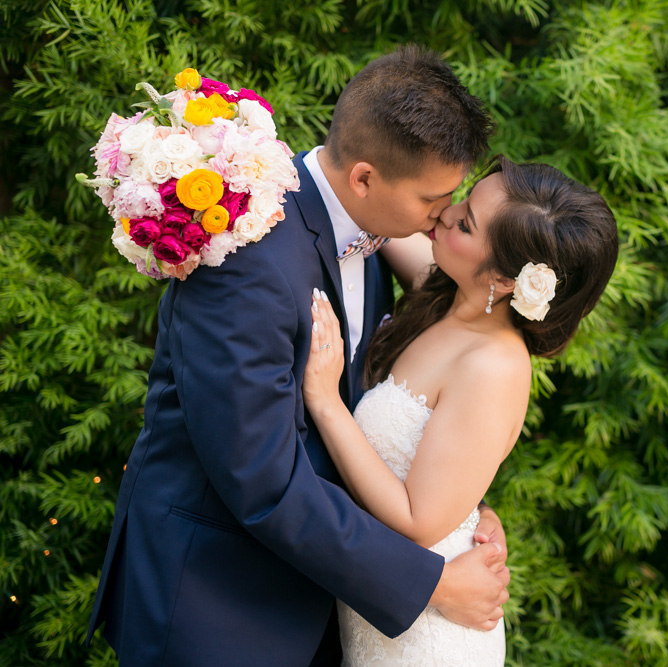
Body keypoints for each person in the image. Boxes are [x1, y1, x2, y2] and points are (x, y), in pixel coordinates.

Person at [86, 46, 511, 666]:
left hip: (321, 601)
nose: (444, 213)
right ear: (365, 178)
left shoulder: (375, 233)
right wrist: (431, 582)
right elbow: (260, 478)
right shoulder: (247, 258)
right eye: (433, 198)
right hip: (219, 603)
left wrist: (458, 510)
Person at [303, 155, 619, 665]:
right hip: (385, 606)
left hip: (427, 635)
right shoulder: (444, 294)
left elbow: (417, 520)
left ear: (504, 280)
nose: (446, 213)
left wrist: (326, 402)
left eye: (466, 223)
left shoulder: (494, 367)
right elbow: (370, 209)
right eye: (465, 199)